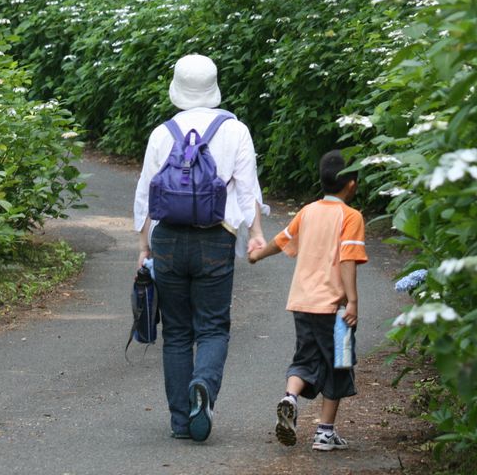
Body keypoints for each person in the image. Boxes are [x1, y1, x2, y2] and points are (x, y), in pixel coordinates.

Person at [133, 54, 267, 442]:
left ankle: (180, 421)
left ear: (177, 87)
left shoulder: (163, 133)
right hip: (215, 238)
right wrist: (256, 232)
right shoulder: (234, 129)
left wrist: (143, 247)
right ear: (213, 87)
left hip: (168, 240)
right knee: (212, 328)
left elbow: (145, 194)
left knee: (175, 332)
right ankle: (203, 387)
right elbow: (248, 188)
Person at [248, 149, 367, 452]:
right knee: (339, 364)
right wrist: (352, 301)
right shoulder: (351, 217)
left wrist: (257, 255)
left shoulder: (308, 211)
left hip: (301, 302)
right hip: (335, 309)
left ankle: (290, 398)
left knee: (305, 358)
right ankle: (325, 433)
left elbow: (281, 240)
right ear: (351, 185)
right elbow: (348, 259)